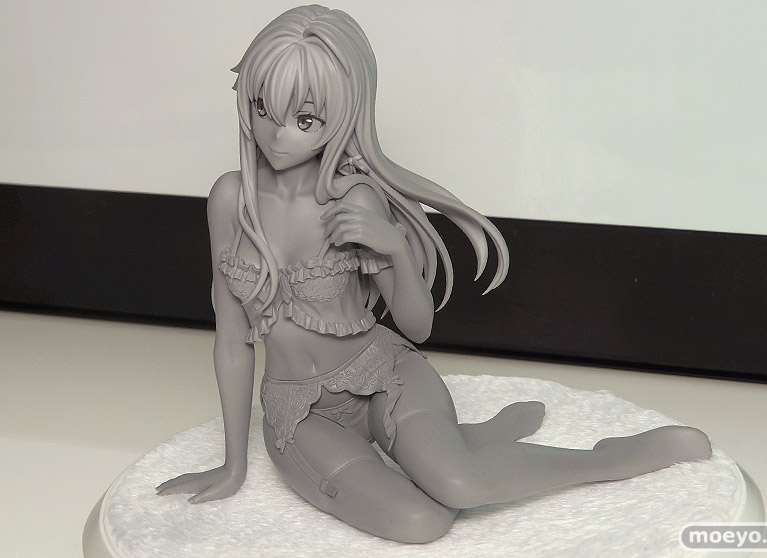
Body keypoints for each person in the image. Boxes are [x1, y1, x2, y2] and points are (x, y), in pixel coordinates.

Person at [156, 5, 711, 543]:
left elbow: (417, 327)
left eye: (305, 120)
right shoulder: (231, 200)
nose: (278, 136)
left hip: (382, 375)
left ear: (344, 114)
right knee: (423, 520)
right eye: (262, 107)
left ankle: (605, 459)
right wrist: (233, 464)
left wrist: (396, 246)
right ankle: (457, 443)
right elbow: (233, 341)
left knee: (458, 486)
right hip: (298, 413)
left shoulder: (354, 199)